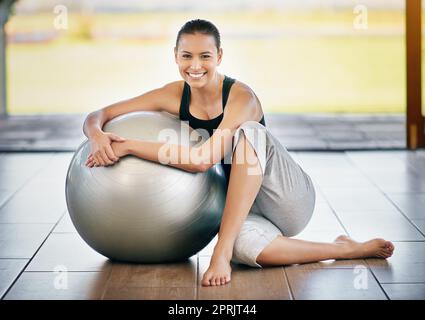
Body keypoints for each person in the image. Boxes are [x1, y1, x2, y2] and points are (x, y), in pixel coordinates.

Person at [82, 19, 394, 287]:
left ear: (219, 56)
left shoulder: (241, 97)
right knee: (246, 250)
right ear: (175, 57)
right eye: (186, 56)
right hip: (239, 208)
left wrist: (129, 145)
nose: (195, 65)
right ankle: (343, 249)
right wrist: (97, 135)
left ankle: (221, 252)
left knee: (250, 132)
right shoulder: (171, 95)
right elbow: (101, 113)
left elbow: (202, 160)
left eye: (205, 56)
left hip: (286, 199)